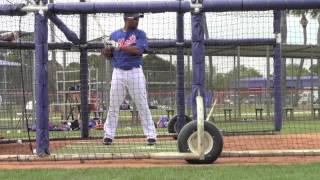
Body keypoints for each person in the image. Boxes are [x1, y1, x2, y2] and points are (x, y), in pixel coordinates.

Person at [101, 13, 157, 145]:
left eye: (138, 18)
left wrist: (119, 46)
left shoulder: (140, 34)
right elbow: (108, 55)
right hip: (118, 73)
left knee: (142, 104)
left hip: (135, 72)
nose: (137, 21)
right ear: (126, 19)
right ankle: (108, 135)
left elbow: (138, 50)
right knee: (113, 105)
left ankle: (151, 135)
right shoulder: (114, 35)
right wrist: (107, 48)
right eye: (135, 18)